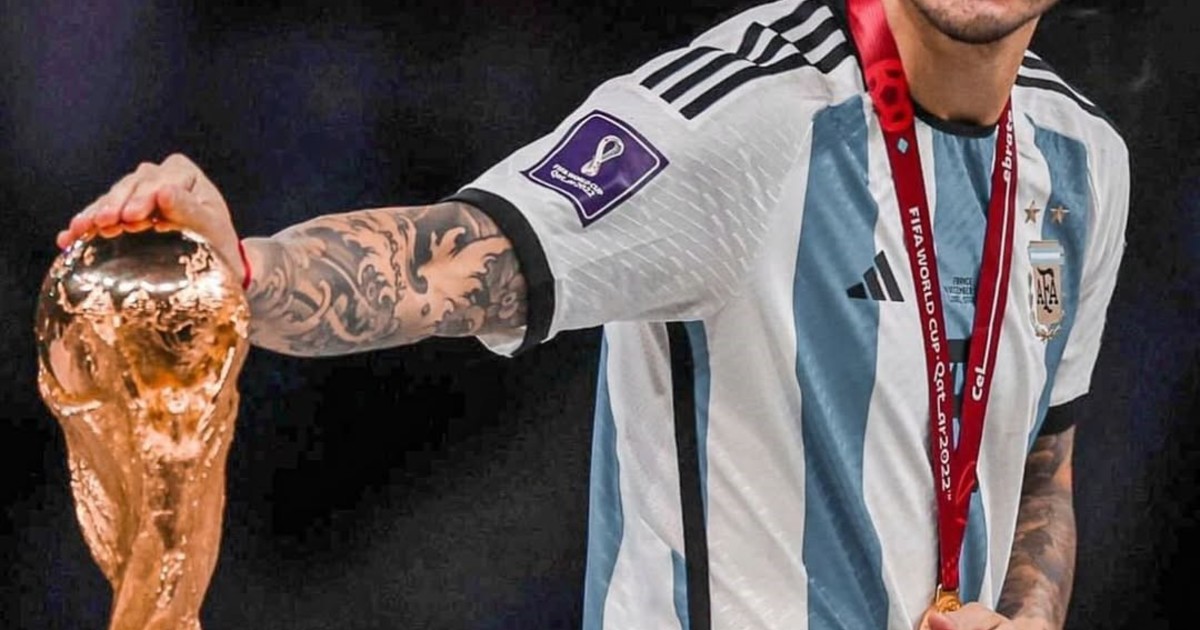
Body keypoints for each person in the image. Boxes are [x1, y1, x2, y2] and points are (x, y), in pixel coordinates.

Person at [56, 0, 1128, 628]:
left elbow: (1044, 463)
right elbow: (458, 257)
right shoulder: (743, 117)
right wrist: (244, 268)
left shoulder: (1087, 163)